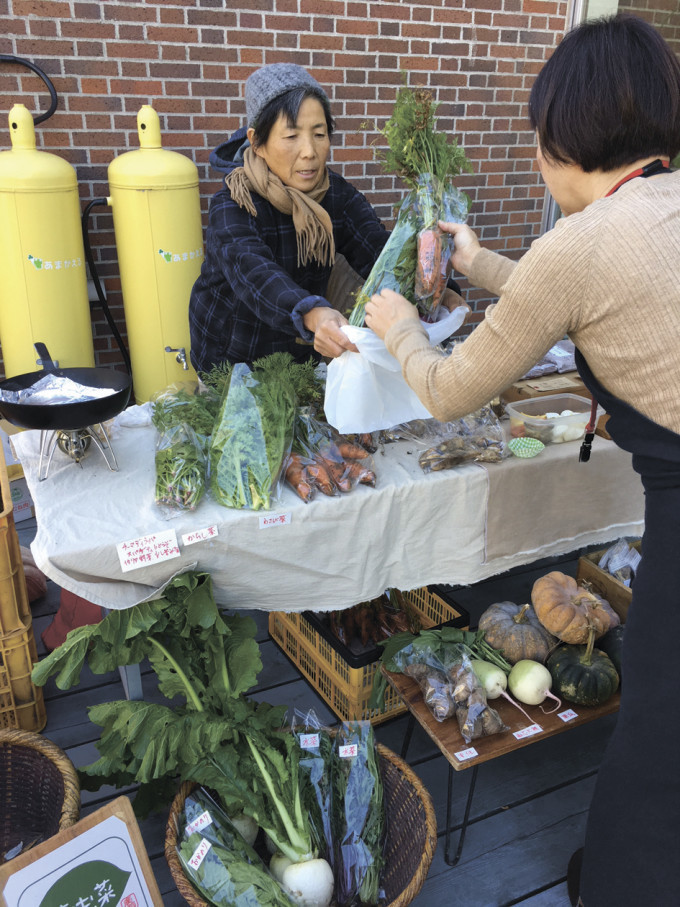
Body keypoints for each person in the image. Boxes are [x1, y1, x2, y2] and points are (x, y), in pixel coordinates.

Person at [365, 14, 680, 907]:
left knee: (663, 742)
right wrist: (484, 263)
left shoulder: (578, 246)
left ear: (560, 140)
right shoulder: (665, 203)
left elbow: (453, 388)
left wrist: (396, 328)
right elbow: (591, 290)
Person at [188, 62, 391, 372]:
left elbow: (378, 249)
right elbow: (257, 275)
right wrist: (312, 312)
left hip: (296, 355)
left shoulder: (335, 195)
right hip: (231, 357)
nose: (309, 151)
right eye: (292, 136)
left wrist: (436, 290)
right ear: (257, 142)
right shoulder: (233, 203)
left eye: (319, 134)